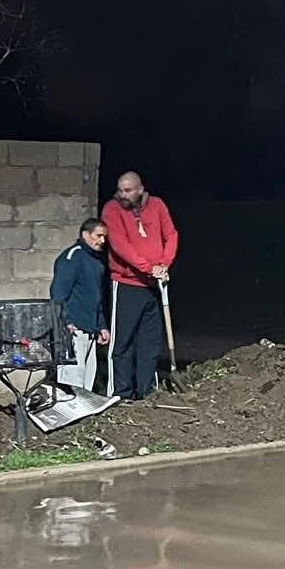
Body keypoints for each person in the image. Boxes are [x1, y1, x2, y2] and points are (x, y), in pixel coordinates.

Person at [101, 171, 179, 401]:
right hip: (127, 284)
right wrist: (149, 267)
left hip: (154, 285)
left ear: (140, 189)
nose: (123, 195)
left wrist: (164, 264)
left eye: (128, 190)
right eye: (120, 190)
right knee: (123, 341)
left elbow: (171, 235)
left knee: (150, 341)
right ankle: (121, 394)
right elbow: (120, 245)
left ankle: (147, 392)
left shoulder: (156, 205)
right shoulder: (112, 210)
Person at [49, 218, 111, 392]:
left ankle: (86, 414)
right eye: (98, 236)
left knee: (87, 377)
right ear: (86, 235)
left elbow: (95, 296)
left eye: (104, 236)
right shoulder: (72, 257)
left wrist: (101, 326)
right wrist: (65, 322)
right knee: (71, 377)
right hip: (74, 329)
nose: (103, 241)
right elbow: (58, 294)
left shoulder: (96, 261)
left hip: (90, 328)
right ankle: (68, 413)